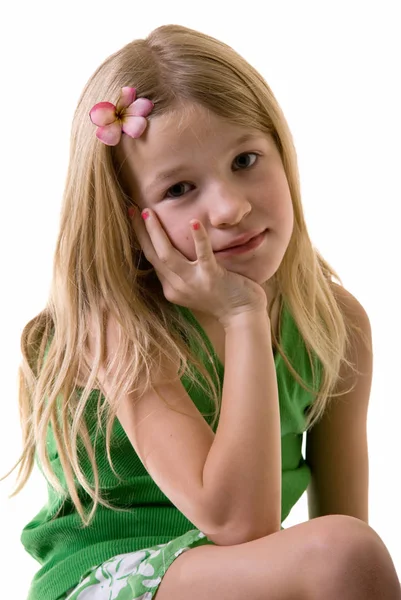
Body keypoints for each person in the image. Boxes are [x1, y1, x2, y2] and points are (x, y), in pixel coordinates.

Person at [3, 23, 400, 600]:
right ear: (129, 219)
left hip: (235, 579)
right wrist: (243, 317)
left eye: (245, 159)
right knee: (343, 552)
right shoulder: (118, 326)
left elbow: (336, 541)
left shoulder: (334, 326)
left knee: (347, 550)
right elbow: (238, 523)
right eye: (179, 189)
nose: (231, 207)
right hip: (109, 578)